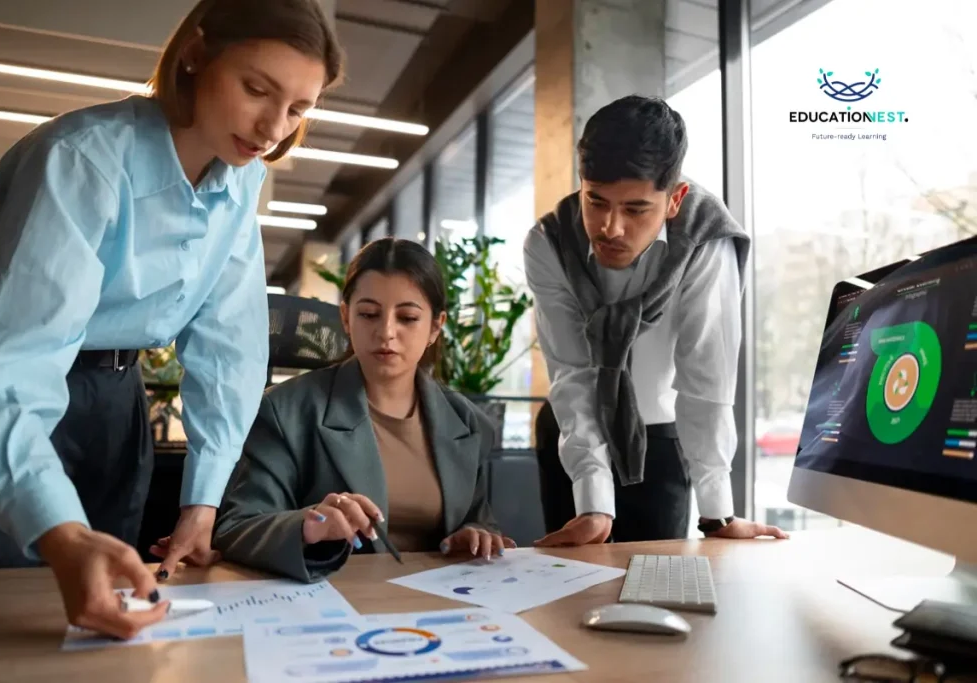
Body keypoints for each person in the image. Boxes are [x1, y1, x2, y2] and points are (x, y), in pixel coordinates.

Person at [0, 0, 343, 639]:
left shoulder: (240, 179)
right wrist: (58, 531)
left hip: (118, 402)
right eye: (256, 89)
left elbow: (229, 343)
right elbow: (10, 370)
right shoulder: (82, 159)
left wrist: (203, 501)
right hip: (18, 406)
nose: (275, 127)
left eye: (299, 108)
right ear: (194, 52)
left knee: (106, 621)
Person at [524, 95, 789, 546]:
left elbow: (706, 378)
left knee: (655, 584)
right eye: (596, 201)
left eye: (635, 209)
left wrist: (718, 514)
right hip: (570, 429)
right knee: (569, 585)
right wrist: (592, 498)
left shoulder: (706, 240)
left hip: (662, 438)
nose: (611, 228)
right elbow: (573, 372)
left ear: (674, 200)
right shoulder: (548, 243)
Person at [213, 237, 514, 581]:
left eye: (408, 318)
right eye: (369, 314)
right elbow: (237, 526)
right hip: (334, 604)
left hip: (444, 604)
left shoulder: (465, 420)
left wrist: (475, 533)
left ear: (435, 326)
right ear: (345, 316)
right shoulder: (286, 411)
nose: (386, 332)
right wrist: (308, 527)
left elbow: (479, 517)